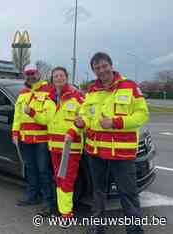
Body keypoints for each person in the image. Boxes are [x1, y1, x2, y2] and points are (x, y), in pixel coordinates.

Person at [75, 52, 149, 234]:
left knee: (128, 193)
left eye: (103, 66)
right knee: (98, 192)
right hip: (96, 151)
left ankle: (134, 229)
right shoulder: (92, 90)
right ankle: (97, 225)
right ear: (94, 70)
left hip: (121, 154)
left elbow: (142, 115)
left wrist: (116, 122)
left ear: (111, 65)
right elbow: (85, 114)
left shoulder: (129, 86)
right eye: (97, 68)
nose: (101, 70)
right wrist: (82, 122)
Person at [25, 67, 84, 220]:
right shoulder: (50, 98)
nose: (58, 78)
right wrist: (32, 113)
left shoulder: (76, 96)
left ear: (67, 77)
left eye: (61, 75)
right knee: (59, 178)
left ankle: (66, 213)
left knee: (67, 180)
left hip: (70, 148)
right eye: (55, 76)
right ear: (52, 79)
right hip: (54, 147)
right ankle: (62, 209)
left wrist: (73, 130)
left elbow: (84, 120)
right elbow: (46, 120)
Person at [12, 65, 55, 216]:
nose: (30, 76)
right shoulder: (23, 93)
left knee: (44, 171)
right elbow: (17, 115)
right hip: (25, 138)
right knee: (30, 168)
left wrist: (33, 113)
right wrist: (15, 132)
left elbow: (48, 118)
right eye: (28, 74)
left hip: (42, 139)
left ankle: (48, 202)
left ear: (38, 73)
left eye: (33, 73)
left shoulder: (49, 90)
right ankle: (32, 196)